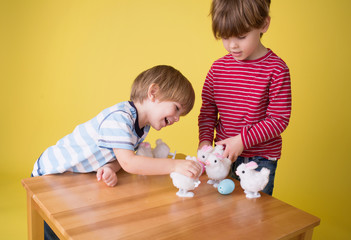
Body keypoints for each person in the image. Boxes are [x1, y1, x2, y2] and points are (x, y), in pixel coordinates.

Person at [32, 65, 202, 240]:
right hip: (52, 172)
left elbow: (120, 157)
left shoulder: (142, 127)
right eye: (176, 109)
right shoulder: (120, 118)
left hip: (73, 175)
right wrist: (175, 165)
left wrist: (110, 167)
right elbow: (130, 162)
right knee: (57, 229)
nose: (176, 119)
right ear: (153, 93)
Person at [198, 0, 291, 196]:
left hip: (260, 159)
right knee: (220, 209)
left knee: (253, 215)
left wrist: (242, 140)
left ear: (264, 25)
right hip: (222, 156)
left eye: (241, 36)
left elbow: (278, 120)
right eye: (224, 37)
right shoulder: (218, 69)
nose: (232, 45)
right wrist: (205, 141)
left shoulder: (277, 70)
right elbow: (208, 110)